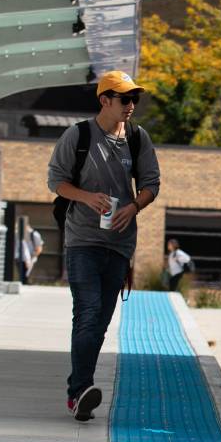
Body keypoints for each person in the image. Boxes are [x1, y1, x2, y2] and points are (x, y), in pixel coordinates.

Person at [48, 69, 161, 421]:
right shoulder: (78, 135)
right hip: (82, 240)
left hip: (119, 244)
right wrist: (86, 197)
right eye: (124, 98)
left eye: (134, 99)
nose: (131, 105)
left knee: (100, 322)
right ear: (105, 100)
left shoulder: (138, 139)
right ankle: (79, 390)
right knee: (88, 314)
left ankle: (80, 388)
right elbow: (56, 182)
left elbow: (151, 184)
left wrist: (134, 206)